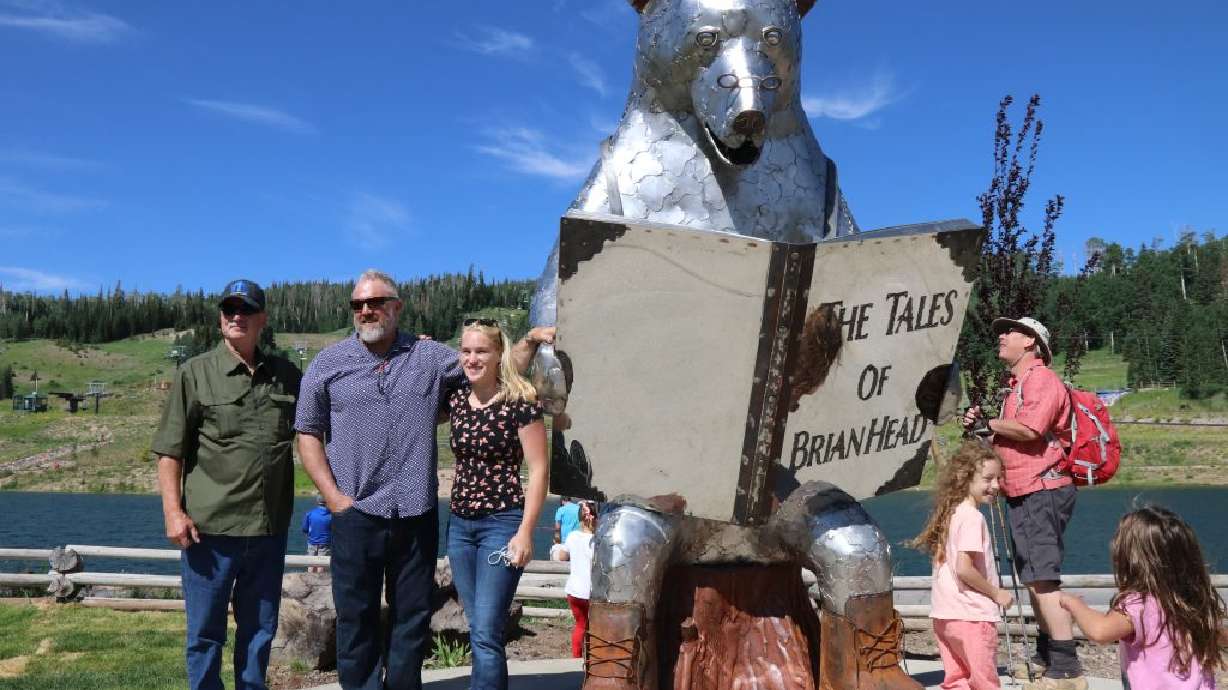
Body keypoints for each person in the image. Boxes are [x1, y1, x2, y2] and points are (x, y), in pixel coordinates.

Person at [295, 270, 551, 690]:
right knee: (355, 615)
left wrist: (529, 342)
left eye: (376, 302)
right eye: (358, 304)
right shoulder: (327, 363)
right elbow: (307, 433)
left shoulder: (428, 357)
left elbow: (487, 366)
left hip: (415, 513)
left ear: (396, 307)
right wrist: (333, 497)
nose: (366, 311)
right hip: (355, 511)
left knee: (411, 617)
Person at [152, 279, 301, 690]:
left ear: (262, 320)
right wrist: (172, 512)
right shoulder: (194, 373)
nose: (237, 316)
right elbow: (170, 452)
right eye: (229, 310)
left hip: (268, 530)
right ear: (221, 319)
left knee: (259, 632)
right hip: (209, 532)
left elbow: (321, 424)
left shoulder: (287, 376)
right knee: (205, 634)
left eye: (246, 310)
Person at [963, 316, 1083, 689]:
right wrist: (983, 425)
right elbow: (1010, 437)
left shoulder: (1042, 380)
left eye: (1010, 331)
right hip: (1024, 489)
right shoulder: (1017, 386)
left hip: (1040, 489)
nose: (1001, 335)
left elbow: (1031, 429)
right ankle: (1048, 654)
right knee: (1033, 577)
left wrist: (991, 423)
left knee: (1042, 578)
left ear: (1030, 342)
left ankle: (1067, 668)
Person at [445, 318, 549, 690]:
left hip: (501, 525)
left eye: (481, 351)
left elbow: (538, 471)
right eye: (466, 351)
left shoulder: (520, 401)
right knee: (479, 629)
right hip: (459, 526)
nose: (472, 359)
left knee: (487, 632)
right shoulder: (457, 398)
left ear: (498, 354)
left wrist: (525, 532)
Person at [1060, 506, 1226, 689]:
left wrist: (1075, 605)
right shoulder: (1189, 598)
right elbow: (1216, 634)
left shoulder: (1140, 604)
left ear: (1130, 558)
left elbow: (1100, 632)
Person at [909, 441, 1012, 690]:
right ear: (965, 478)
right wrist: (996, 593)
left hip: (945, 615)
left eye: (998, 478)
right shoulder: (973, 518)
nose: (996, 485)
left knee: (956, 681)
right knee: (984, 682)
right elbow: (963, 568)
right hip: (972, 616)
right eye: (988, 479)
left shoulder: (951, 512)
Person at [559, 500, 597, 659]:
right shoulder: (597, 540)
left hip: (573, 591)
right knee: (594, 628)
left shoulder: (572, 536)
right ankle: (592, 658)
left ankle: (576, 658)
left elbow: (562, 556)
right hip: (590, 592)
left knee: (580, 625)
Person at [302, 495, 333, 574]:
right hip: (325, 543)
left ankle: (309, 578)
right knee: (321, 564)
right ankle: (319, 580)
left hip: (312, 541)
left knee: (311, 563)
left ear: (317, 501)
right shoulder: (332, 515)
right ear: (327, 502)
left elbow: (304, 529)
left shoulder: (309, 514)